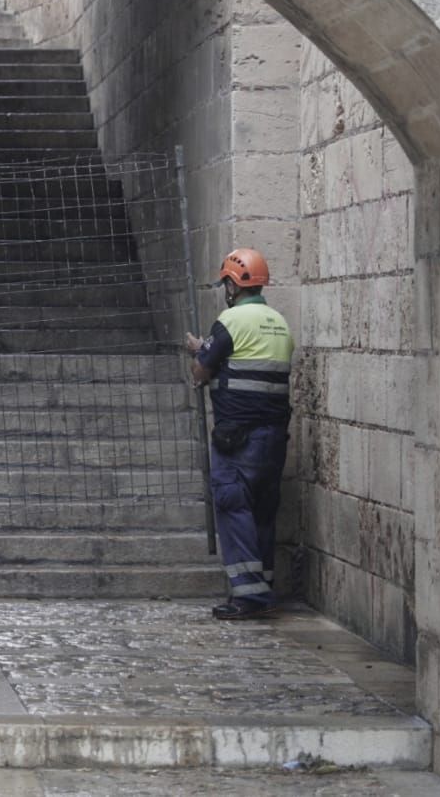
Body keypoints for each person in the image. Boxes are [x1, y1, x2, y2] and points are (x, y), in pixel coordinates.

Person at [184, 247, 294, 620]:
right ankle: (262, 585)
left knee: (234, 506)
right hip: (274, 439)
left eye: (226, 283)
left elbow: (202, 370)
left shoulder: (231, 321)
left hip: (238, 439)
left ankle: (248, 597)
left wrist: (200, 352)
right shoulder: (279, 323)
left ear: (233, 284)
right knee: (263, 511)